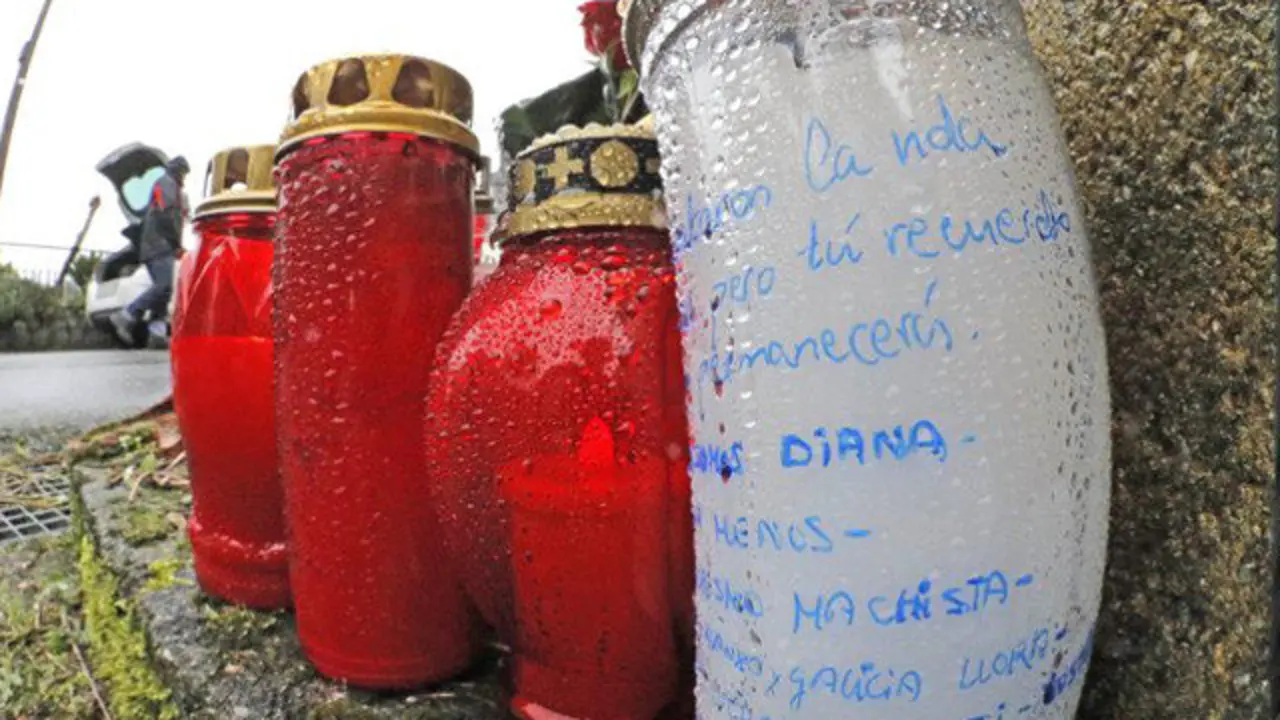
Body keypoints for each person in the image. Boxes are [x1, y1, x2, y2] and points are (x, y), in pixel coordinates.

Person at [109, 155, 190, 348]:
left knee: (167, 288)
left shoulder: (167, 184)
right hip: (159, 245)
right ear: (179, 170)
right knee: (165, 285)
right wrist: (176, 243)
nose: (185, 178)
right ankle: (127, 314)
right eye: (185, 173)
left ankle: (157, 330)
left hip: (159, 244)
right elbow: (166, 214)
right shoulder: (167, 183)